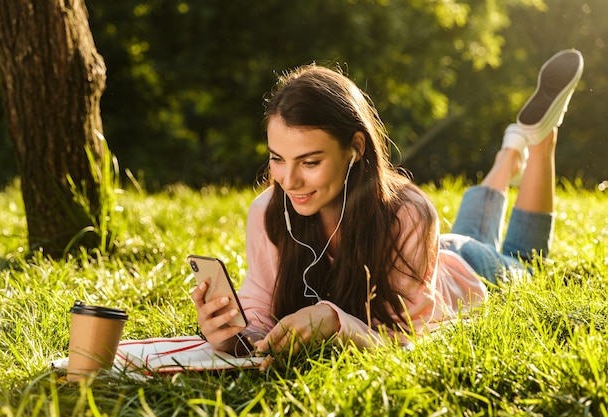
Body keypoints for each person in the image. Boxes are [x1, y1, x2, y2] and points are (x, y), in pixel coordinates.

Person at [191, 49, 584, 367]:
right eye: (278, 158)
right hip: (431, 257)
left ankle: (540, 138)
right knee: (474, 233)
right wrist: (232, 333)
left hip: (465, 269)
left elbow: (414, 338)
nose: (288, 181)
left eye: (310, 162)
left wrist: (335, 321)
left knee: (524, 262)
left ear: (355, 149)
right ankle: (510, 153)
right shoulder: (269, 212)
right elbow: (261, 309)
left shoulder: (409, 212)